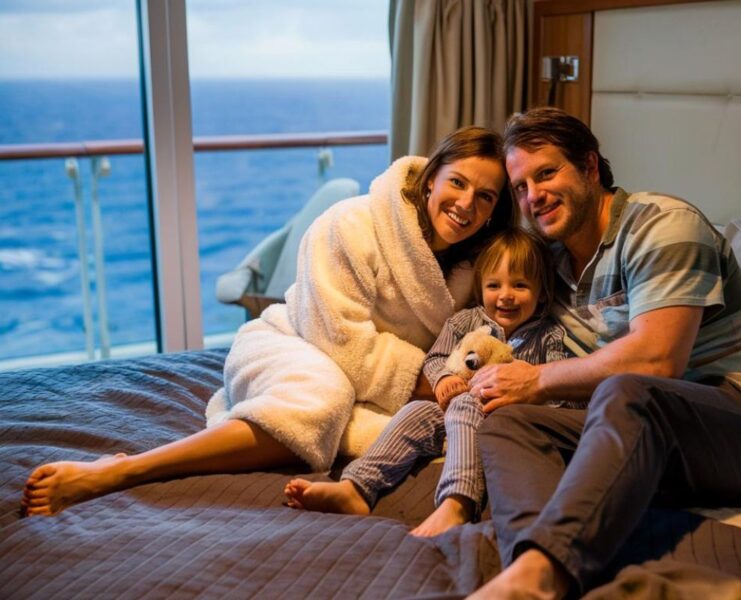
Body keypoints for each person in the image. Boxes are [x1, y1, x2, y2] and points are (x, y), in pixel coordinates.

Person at [20, 126, 517, 517]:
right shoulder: (353, 225)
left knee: (433, 430)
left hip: (377, 385)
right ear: (431, 177)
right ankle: (123, 470)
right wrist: (434, 379)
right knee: (321, 402)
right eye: (457, 181)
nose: (466, 203)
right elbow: (342, 341)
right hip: (296, 341)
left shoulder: (476, 271)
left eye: (486, 196)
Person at [466, 107, 741, 599]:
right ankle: (538, 570)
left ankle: (540, 575)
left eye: (547, 173)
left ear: (589, 167)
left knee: (629, 391)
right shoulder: (549, 261)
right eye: (520, 187)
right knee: (508, 421)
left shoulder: (663, 226)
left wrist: (536, 380)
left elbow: (656, 362)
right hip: (634, 433)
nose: (533, 195)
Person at [283, 229, 585, 536]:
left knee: (467, 402)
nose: (506, 295)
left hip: (504, 421)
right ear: (481, 289)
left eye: (520, 285)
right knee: (417, 412)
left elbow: (560, 392)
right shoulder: (465, 322)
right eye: (494, 285)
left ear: (542, 293)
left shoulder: (548, 336)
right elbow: (435, 358)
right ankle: (357, 487)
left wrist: (532, 393)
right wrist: (444, 379)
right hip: (454, 416)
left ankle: (457, 502)